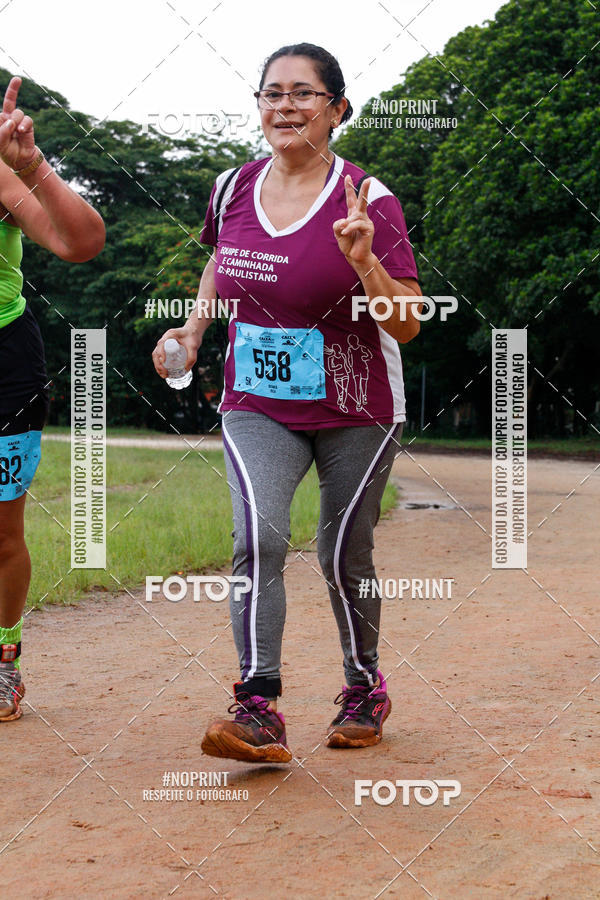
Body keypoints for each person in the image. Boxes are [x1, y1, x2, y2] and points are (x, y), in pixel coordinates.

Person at [152, 43, 423, 763]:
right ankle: (257, 706)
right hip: (257, 400)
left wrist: (364, 260)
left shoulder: (370, 198)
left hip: (358, 405)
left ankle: (364, 687)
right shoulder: (231, 188)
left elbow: (408, 322)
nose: (285, 107)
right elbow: (220, 260)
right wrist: (194, 325)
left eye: (304, 94)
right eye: (272, 93)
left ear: (337, 110)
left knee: (343, 552)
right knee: (258, 540)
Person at [0, 76, 105, 721]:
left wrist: (31, 165)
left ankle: (2, 658)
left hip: (4, 365)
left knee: (1, 530)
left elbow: (80, 242)